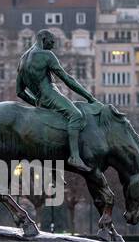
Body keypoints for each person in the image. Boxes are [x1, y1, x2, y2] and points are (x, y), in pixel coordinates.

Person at [16, 29, 97, 172]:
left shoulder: (22, 60)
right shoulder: (46, 55)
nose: (53, 45)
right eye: (51, 42)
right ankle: (75, 157)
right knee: (76, 116)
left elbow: (20, 92)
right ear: (43, 39)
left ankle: (52, 168)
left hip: (40, 100)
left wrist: (36, 102)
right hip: (50, 94)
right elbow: (66, 79)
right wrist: (89, 97)